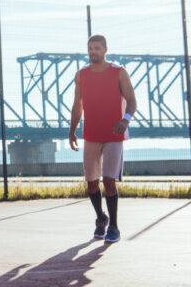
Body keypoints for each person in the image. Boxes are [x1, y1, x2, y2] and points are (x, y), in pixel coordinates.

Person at [69, 34, 137, 244]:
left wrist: (125, 120)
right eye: (90, 48)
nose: (93, 52)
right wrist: (72, 131)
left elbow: (132, 100)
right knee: (91, 183)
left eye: (97, 48)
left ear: (105, 50)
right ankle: (101, 218)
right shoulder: (81, 75)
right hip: (91, 135)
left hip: (114, 135)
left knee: (109, 181)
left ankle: (114, 227)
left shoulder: (119, 72)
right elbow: (77, 105)